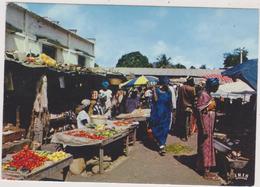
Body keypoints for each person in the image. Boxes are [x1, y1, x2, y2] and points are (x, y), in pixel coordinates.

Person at [196, 78, 219, 180]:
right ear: (210, 86)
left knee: (206, 145)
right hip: (205, 125)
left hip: (209, 125)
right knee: (205, 146)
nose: (217, 88)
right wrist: (203, 128)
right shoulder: (203, 95)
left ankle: (202, 167)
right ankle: (206, 172)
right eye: (215, 86)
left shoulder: (208, 94)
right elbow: (199, 112)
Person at [150, 77, 172, 156]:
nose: (167, 86)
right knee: (156, 129)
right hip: (157, 114)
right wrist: (154, 91)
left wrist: (171, 112)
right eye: (166, 84)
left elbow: (170, 103)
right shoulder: (156, 91)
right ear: (162, 84)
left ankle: (162, 145)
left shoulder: (169, 92)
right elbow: (155, 100)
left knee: (165, 130)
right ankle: (160, 143)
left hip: (166, 114)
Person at [175, 76, 196, 141]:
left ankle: (181, 133)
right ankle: (187, 134)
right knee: (188, 121)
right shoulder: (192, 89)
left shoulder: (181, 88)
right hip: (189, 107)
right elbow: (193, 99)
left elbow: (179, 97)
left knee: (181, 120)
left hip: (181, 107)